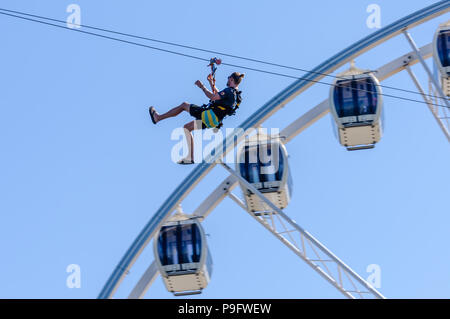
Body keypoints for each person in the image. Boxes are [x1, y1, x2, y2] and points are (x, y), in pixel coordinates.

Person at [149, 72, 244, 165]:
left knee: (184, 105)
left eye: (228, 78)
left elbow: (213, 97)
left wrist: (202, 86)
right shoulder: (235, 95)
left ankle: (158, 118)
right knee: (187, 128)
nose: (227, 79)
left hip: (209, 115)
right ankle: (190, 157)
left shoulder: (229, 91)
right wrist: (211, 82)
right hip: (213, 122)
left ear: (231, 79)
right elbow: (218, 96)